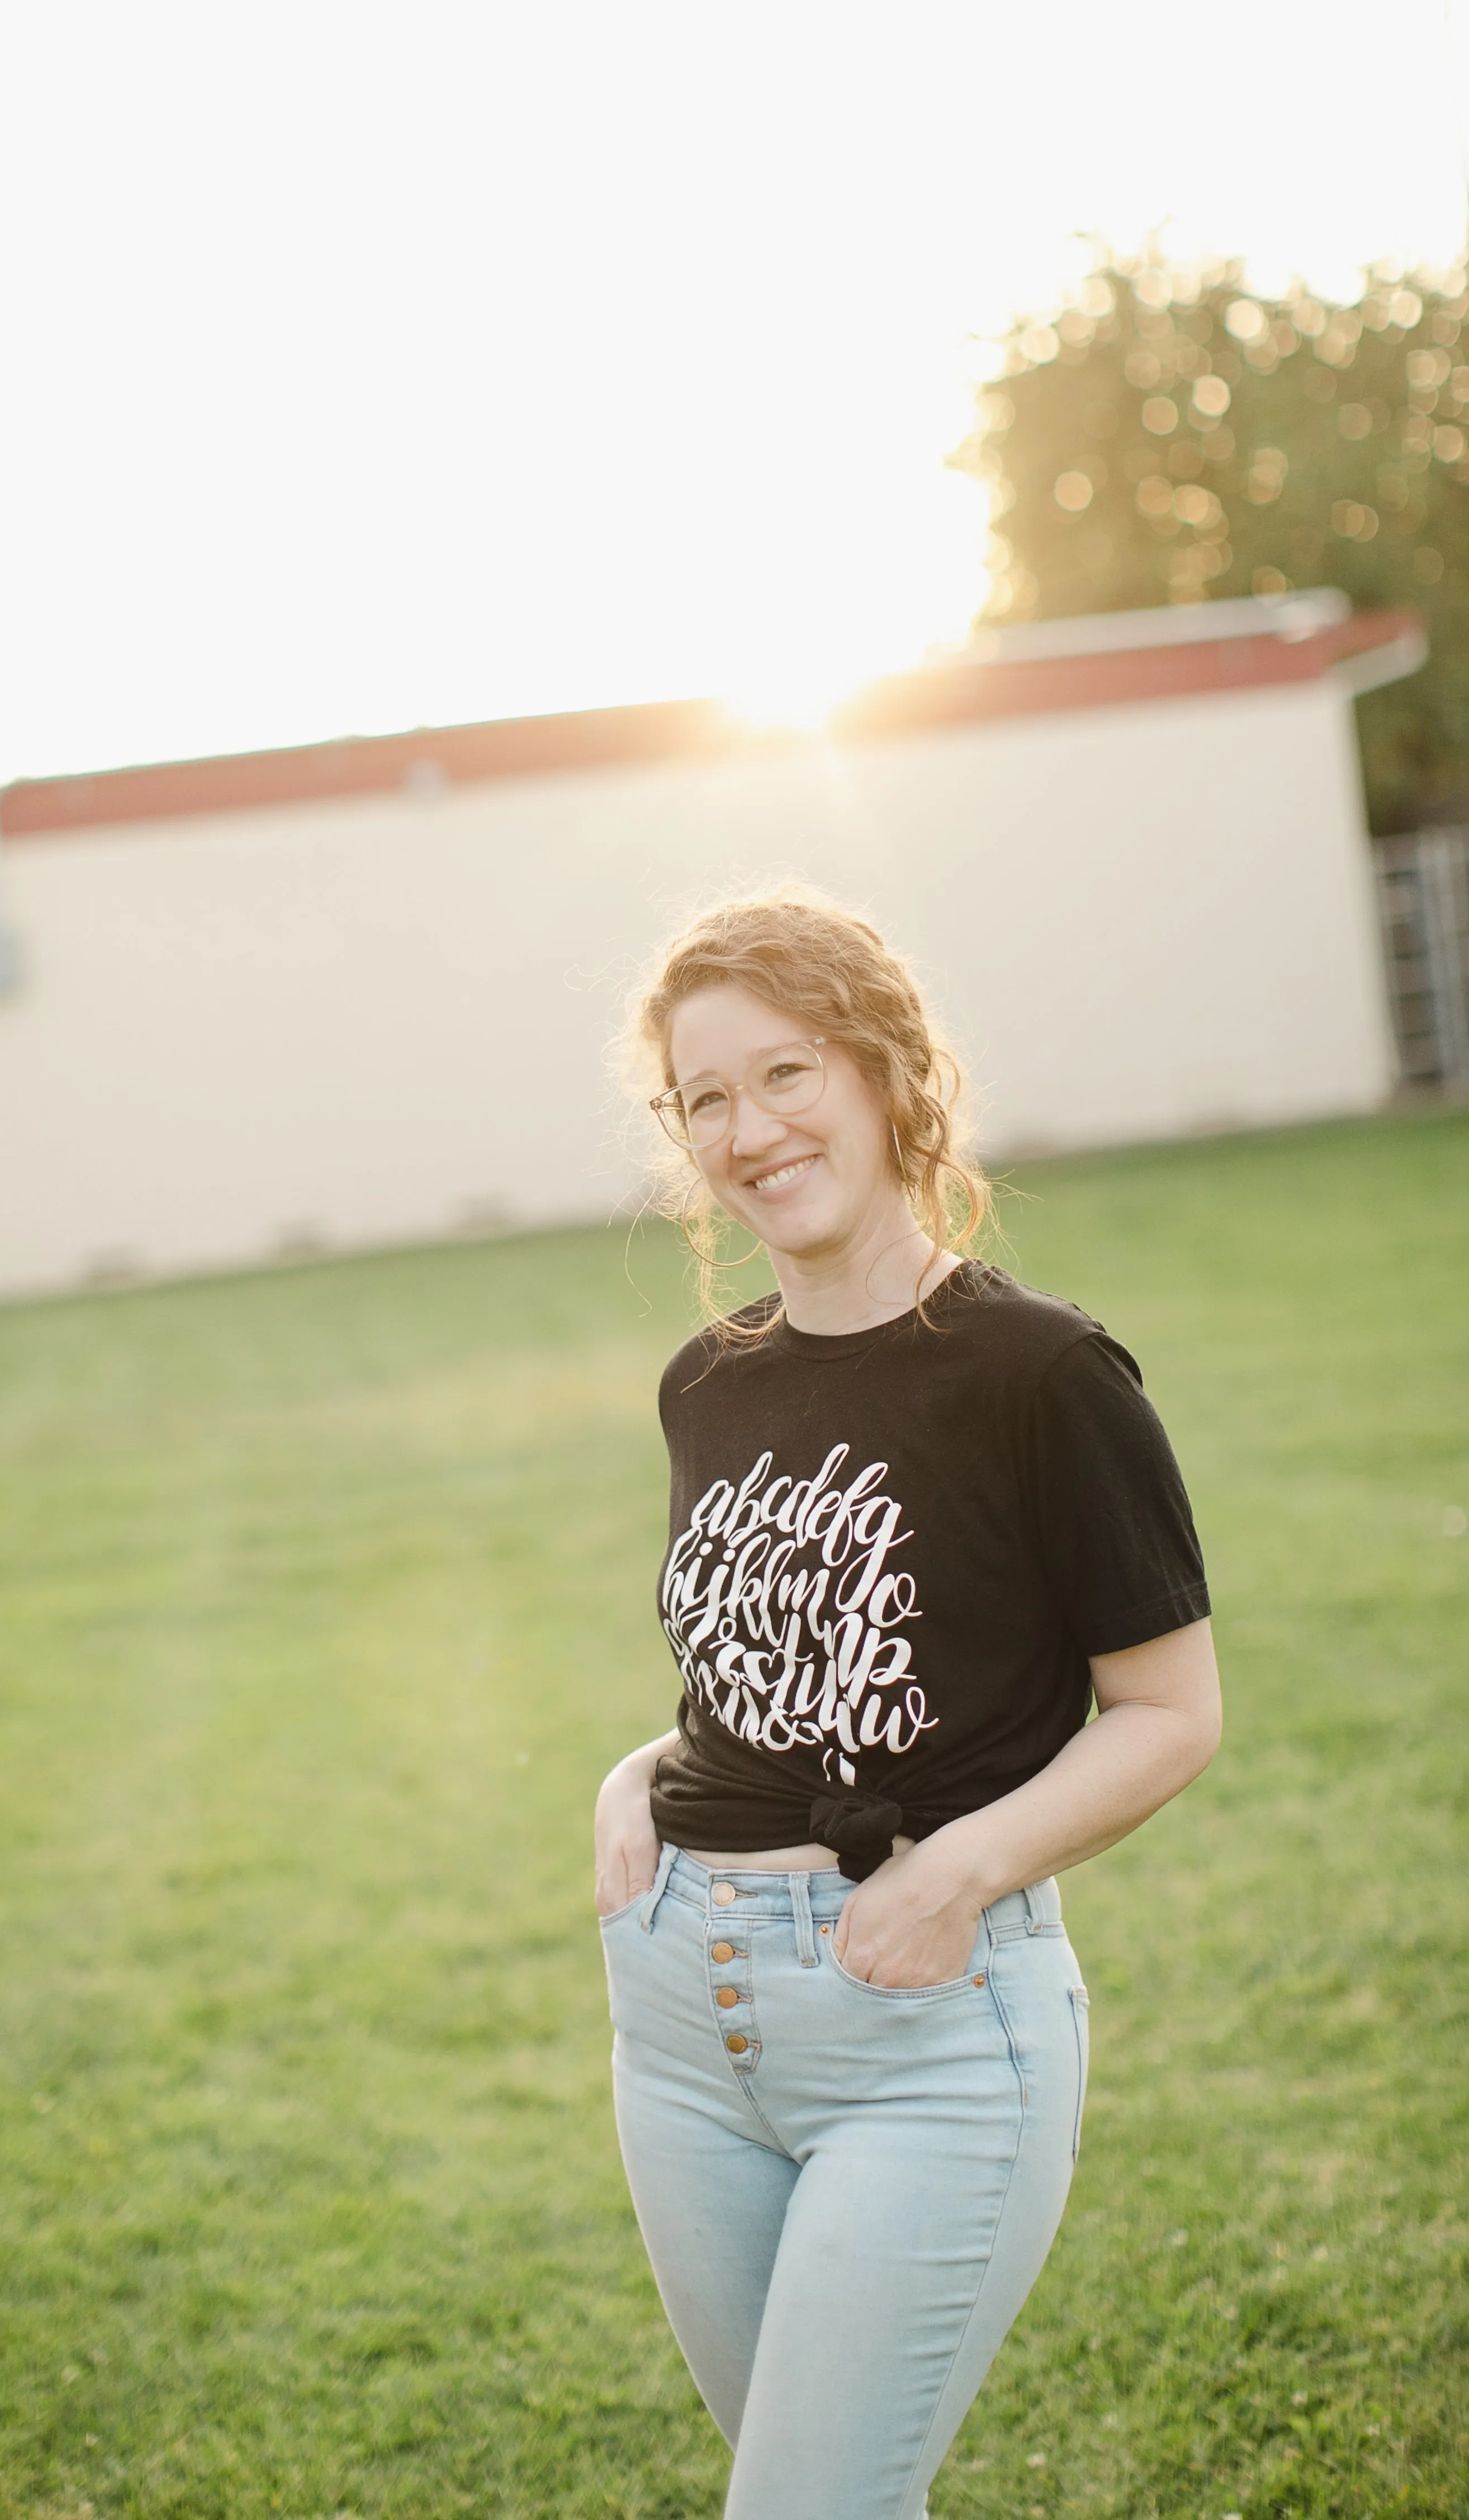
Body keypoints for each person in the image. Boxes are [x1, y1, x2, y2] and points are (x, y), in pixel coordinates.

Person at [595, 888, 1221, 2520]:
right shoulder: (706, 1380)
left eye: (785, 1073)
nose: (747, 1129)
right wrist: (643, 1767)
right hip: (680, 2027)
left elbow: (1169, 1708)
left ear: (883, 1071)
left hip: (924, 2032)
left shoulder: (1044, 1374)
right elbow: (787, 1671)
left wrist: (959, 1872)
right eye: (703, 1099)